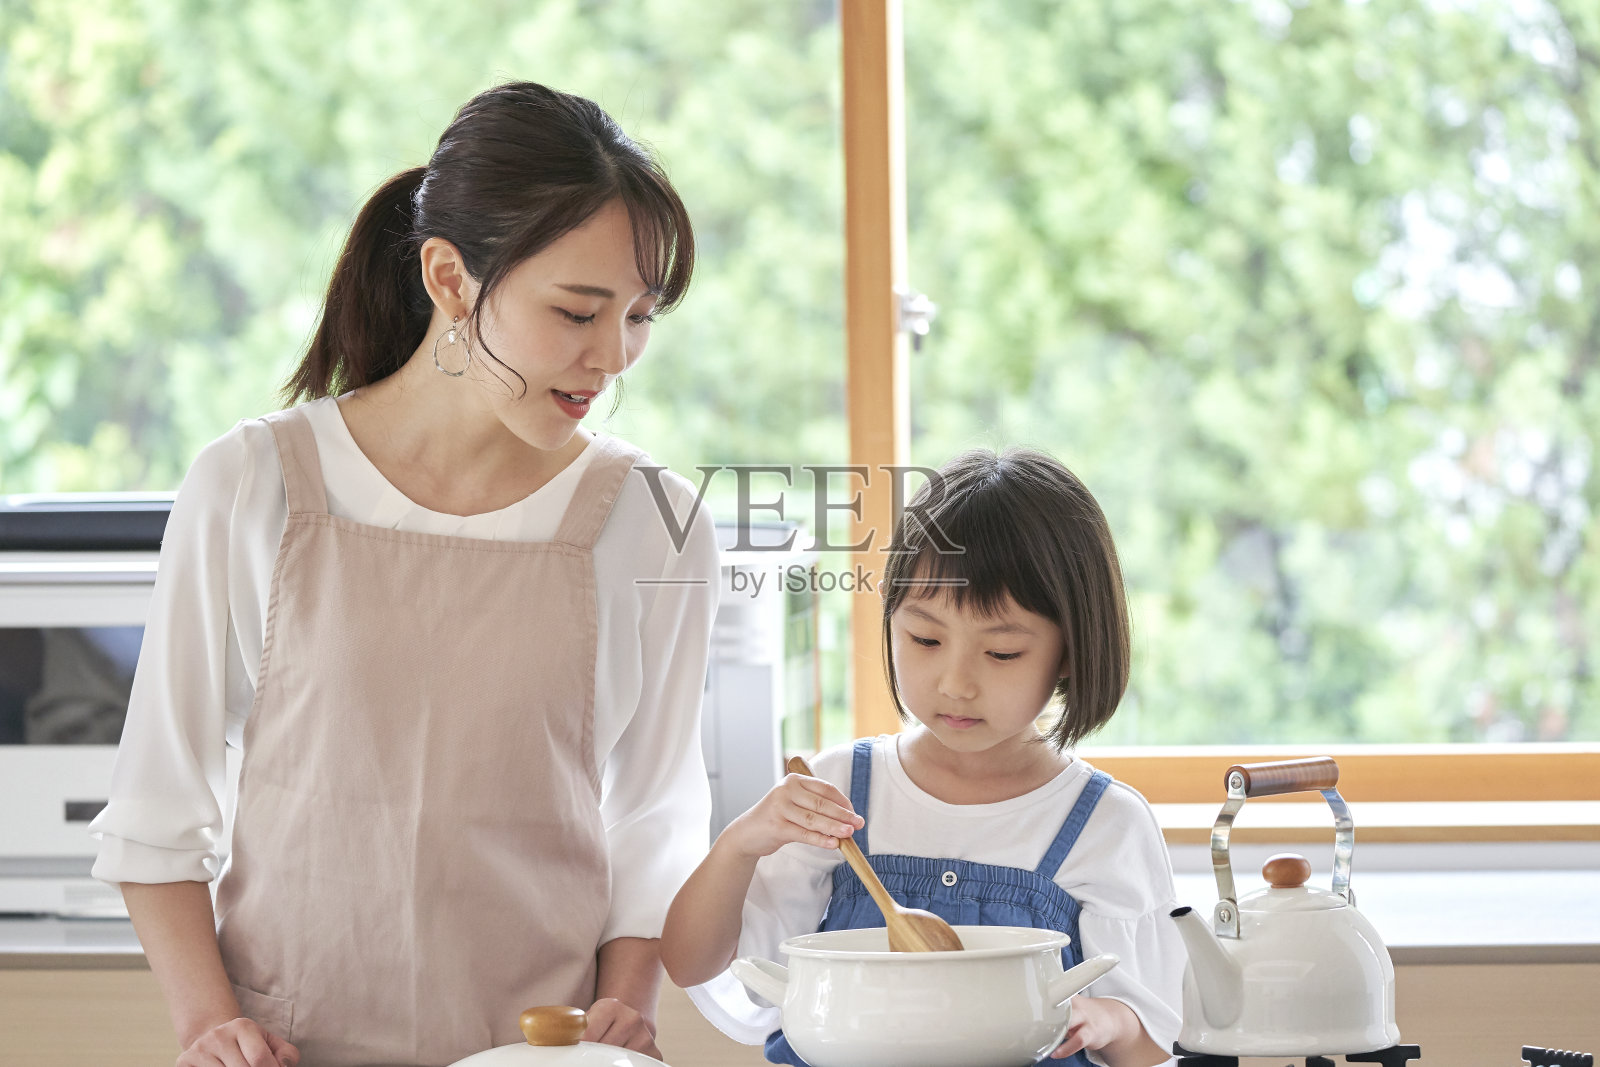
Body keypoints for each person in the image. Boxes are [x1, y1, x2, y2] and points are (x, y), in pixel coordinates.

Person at [89, 81, 720, 1067]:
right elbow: (158, 809)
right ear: (449, 276)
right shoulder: (255, 482)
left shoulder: (657, 520)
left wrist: (622, 1009)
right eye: (577, 311)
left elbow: (656, 813)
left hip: (537, 1050)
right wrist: (212, 1028)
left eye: (638, 316)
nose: (611, 358)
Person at [660, 448, 1184, 1067]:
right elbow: (690, 961)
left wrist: (1108, 1021)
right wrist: (741, 842)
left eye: (1003, 653)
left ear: (1071, 651)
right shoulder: (840, 791)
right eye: (925, 639)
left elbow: (1152, 1042)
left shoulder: (1107, 824)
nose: (955, 683)